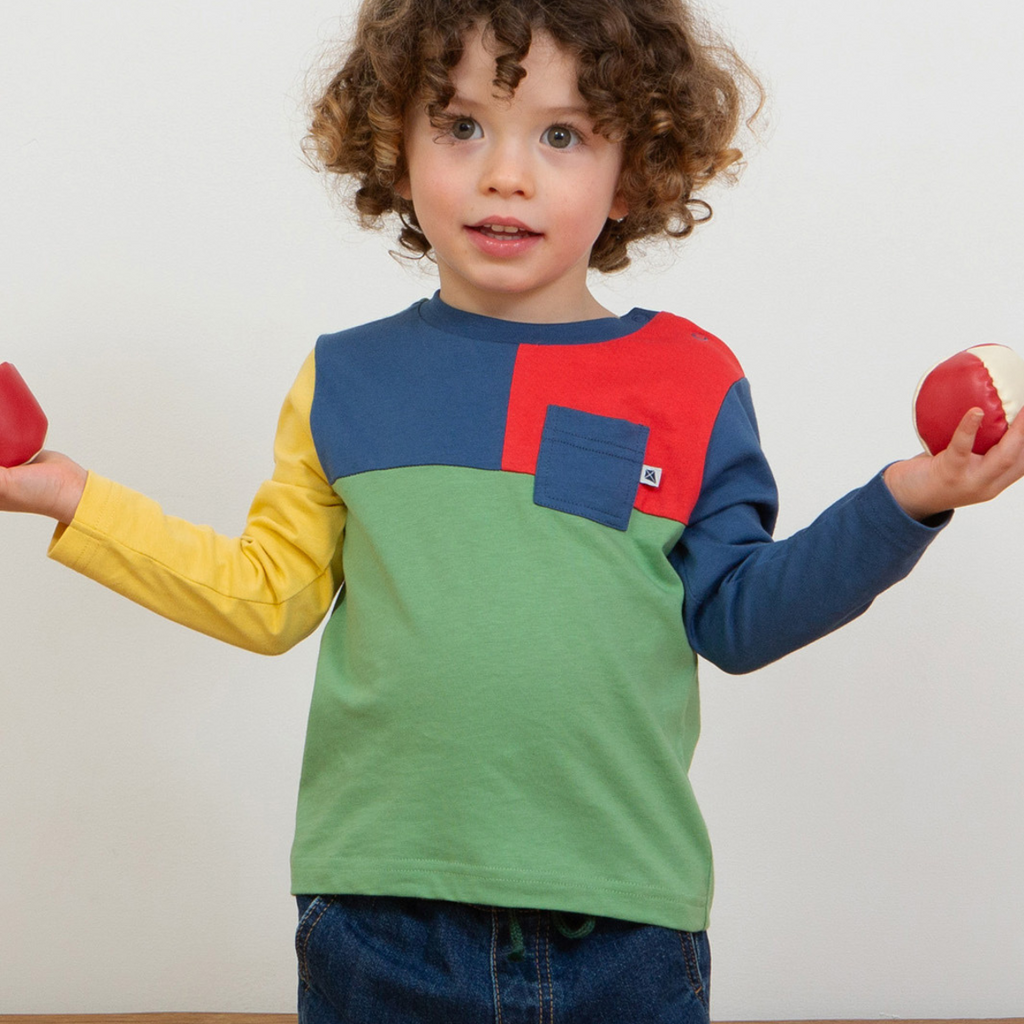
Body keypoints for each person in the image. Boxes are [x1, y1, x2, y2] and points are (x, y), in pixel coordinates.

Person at [3, 0, 1024, 1020]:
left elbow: (741, 619)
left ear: (634, 170)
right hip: (379, 918)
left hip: (620, 927)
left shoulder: (692, 381)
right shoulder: (343, 379)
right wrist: (67, 492)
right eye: (459, 125)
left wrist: (910, 499)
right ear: (394, 151)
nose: (506, 173)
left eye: (563, 134)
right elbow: (266, 599)